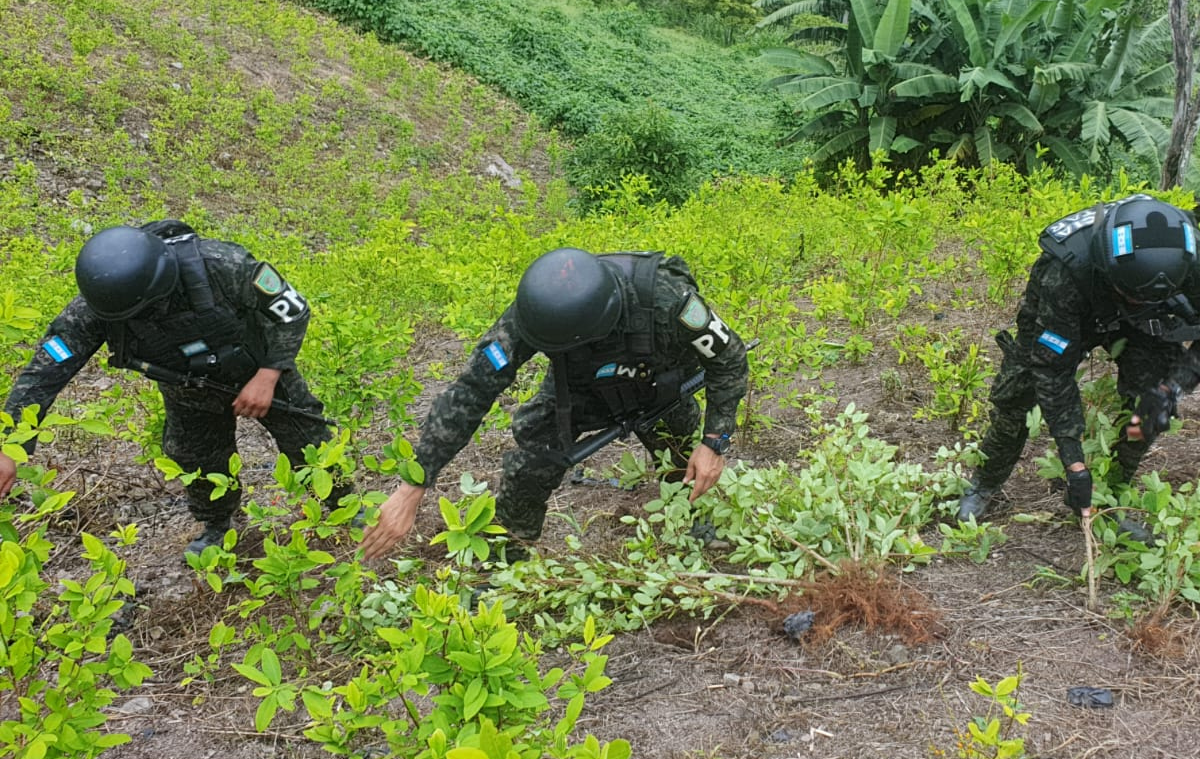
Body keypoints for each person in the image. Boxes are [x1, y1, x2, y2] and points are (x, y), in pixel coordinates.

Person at [360, 247, 750, 562]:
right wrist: (415, 483)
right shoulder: (535, 313)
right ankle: (508, 559)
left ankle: (695, 524)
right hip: (581, 389)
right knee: (531, 458)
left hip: (661, 384)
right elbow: (472, 390)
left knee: (684, 462)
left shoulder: (665, 296)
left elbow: (728, 357)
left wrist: (715, 441)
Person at [0, 221, 345, 558]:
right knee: (194, 456)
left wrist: (269, 375)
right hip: (189, 388)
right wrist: (9, 446)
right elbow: (44, 373)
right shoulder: (101, 305)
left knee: (308, 438)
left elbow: (292, 312)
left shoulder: (221, 265)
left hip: (258, 367)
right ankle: (217, 526)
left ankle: (345, 507)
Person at [957, 194, 1200, 539]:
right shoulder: (1064, 270)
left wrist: (1171, 387)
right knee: (1018, 393)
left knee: (1150, 407)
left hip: (1145, 321)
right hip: (1076, 306)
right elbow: (1053, 371)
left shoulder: (1188, 259)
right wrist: (1074, 463)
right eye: (1133, 294)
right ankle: (986, 481)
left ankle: (1110, 495)